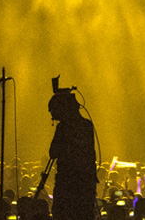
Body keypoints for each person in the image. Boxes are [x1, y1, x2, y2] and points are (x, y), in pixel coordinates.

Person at [43, 88, 96, 220]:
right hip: (85, 184)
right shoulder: (87, 125)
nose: (53, 116)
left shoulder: (62, 128)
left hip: (67, 183)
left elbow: (53, 152)